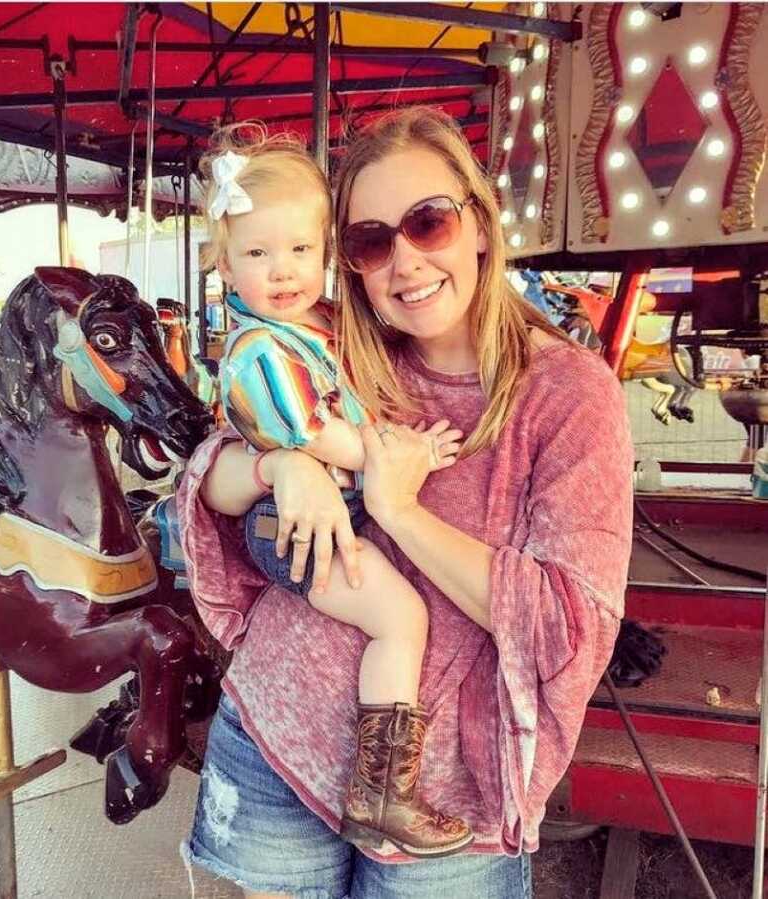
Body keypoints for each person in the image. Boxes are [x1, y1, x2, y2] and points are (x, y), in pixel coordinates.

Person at [178, 107, 633, 899]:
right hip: (278, 730)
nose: (406, 259)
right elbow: (207, 475)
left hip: (449, 789)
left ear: (480, 224)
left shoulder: (565, 392)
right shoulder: (345, 347)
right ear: (350, 261)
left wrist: (400, 510)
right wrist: (282, 465)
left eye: (429, 222)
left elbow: (565, 623)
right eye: (371, 239)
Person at [199, 125, 472, 857]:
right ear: (224, 267)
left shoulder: (318, 326)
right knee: (399, 617)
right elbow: (311, 430)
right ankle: (383, 793)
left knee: (398, 613)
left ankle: (382, 788)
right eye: (257, 254)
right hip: (290, 525)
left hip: (325, 510)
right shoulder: (259, 349)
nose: (282, 271)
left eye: (300, 251)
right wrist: (399, 452)